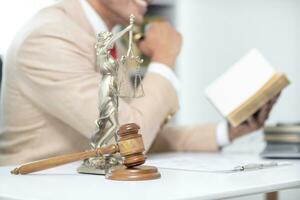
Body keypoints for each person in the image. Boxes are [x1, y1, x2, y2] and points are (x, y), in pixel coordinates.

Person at [0, 0, 278, 165]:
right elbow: (130, 139)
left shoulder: (112, 44)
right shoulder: (50, 36)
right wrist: (165, 57)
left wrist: (225, 132)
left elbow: (143, 129)